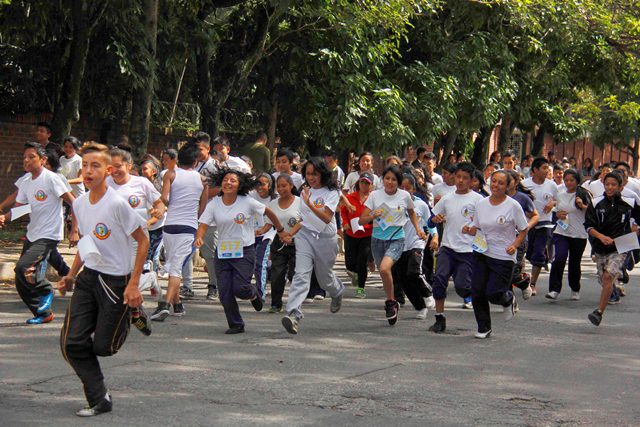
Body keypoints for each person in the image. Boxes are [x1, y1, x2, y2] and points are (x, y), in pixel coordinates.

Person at [58, 142, 149, 417]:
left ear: (108, 170)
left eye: (95, 165)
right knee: (72, 343)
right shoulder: (81, 204)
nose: (87, 170)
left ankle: (134, 309)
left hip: (116, 283)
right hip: (89, 278)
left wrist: (133, 284)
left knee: (104, 347)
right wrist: (71, 275)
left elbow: (143, 240)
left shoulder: (118, 204)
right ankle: (99, 399)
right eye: (84, 166)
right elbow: (87, 242)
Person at [195, 169, 288, 333]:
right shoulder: (214, 203)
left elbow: (269, 213)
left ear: (239, 186)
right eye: (225, 180)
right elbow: (203, 224)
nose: (228, 183)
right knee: (224, 291)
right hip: (222, 252)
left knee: (240, 288)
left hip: (244, 251)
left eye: (233, 180)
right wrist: (199, 237)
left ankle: (253, 294)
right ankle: (236, 324)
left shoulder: (247, 202)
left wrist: (280, 230)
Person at [0, 142, 78, 324]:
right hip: (33, 233)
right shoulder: (26, 182)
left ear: (43, 160)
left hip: (50, 234)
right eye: (24, 157)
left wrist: (74, 230)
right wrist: (5, 217)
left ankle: (45, 290)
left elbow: (74, 203)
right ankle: (43, 313)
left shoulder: (52, 179)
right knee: (21, 277)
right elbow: (21, 209)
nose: (26, 161)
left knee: (24, 267)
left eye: (31, 157)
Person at [281, 157, 346, 334]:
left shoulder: (332, 192)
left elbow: (326, 218)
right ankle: (293, 314)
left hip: (326, 237)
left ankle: (337, 290)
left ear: (323, 174)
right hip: (305, 236)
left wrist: (310, 203)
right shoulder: (304, 191)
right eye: (308, 174)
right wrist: (291, 233)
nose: (311, 177)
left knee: (324, 278)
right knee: (301, 274)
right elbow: (303, 219)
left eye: (314, 174)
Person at [462, 170, 529, 339]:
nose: (496, 185)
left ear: (507, 186)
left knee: (493, 293)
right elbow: (476, 227)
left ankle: (507, 299)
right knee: (477, 291)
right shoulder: (481, 204)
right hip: (482, 252)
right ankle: (484, 327)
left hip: (503, 256)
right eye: (493, 181)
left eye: (500, 183)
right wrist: (468, 230)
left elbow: (523, 228)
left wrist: (515, 245)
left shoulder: (513, 206)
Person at [359, 165, 427, 325]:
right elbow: (361, 220)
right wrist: (372, 215)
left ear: (398, 181)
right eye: (387, 179)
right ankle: (392, 301)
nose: (390, 182)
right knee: (384, 273)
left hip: (397, 238)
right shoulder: (375, 195)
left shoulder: (404, 196)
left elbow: (411, 211)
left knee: (384, 268)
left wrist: (418, 229)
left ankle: (390, 302)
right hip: (377, 240)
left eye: (394, 179)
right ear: (383, 180)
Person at [150, 144, 208, 321]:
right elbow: (203, 206)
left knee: (173, 262)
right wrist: (194, 218)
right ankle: (166, 305)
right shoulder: (203, 179)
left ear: (178, 159)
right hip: (188, 227)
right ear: (196, 160)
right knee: (176, 267)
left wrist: (168, 207)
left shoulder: (171, 174)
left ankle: (175, 305)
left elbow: (165, 198)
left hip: (170, 225)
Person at [428, 162, 484, 333]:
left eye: (464, 178)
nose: (460, 181)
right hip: (447, 247)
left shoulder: (478, 200)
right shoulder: (447, 198)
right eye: (458, 177)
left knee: (462, 287)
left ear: (472, 180)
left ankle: (481, 308)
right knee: (439, 280)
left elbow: (485, 225)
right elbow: (431, 220)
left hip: (467, 251)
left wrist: (474, 229)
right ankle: (439, 318)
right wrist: (434, 220)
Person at [584, 172, 640, 326]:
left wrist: (636, 226)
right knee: (604, 279)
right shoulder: (596, 203)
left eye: (613, 184)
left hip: (622, 245)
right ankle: (619, 276)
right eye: (607, 184)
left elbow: (638, 217)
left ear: (620, 187)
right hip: (600, 247)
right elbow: (588, 226)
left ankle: (599, 312)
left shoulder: (630, 202)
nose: (610, 187)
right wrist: (601, 237)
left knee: (608, 276)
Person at [393, 173, 437, 319]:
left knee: (414, 272)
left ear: (413, 189)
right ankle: (420, 307)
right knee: (404, 280)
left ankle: (428, 293)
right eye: (402, 188)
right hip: (398, 246)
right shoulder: (392, 203)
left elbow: (430, 224)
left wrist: (434, 237)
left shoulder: (421, 205)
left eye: (408, 188)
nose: (405, 191)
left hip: (416, 243)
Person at [546, 169, 590, 301]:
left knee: (574, 263)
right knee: (559, 258)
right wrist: (557, 215)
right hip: (561, 232)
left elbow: (592, 212)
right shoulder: (560, 195)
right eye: (566, 180)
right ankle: (554, 289)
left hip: (579, 234)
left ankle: (575, 288)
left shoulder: (584, 194)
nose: (568, 183)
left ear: (577, 181)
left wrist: (582, 205)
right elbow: (554, 212)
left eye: (571, 180)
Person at [522, 157, 558, 295]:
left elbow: (559, 200)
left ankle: (532, 284)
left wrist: (553, 203)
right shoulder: (524, 185)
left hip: (545, 223)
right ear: (535, 170)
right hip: (527, 224)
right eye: (543, 168)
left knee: (538, 254)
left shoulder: (552, 185)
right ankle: (522, 278)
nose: (547, 170)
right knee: (528, 254)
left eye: (548, 168)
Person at [266, 174, 302, 312]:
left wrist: (291, 234)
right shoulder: (273, 204)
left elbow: (303, 221)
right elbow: (269, 223)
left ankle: (295, 303)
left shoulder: (300, 202)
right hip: (279, 242)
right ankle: (276, 303)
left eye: (284, 186)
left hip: (297, 241)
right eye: (278, 186)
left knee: (296, 274)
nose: (281, 189)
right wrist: (259, 231)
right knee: (277, 274)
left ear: (291, 186)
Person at [503, 170, 539, 300]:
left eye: (508, 181)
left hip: (519, 239)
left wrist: (527, 227)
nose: (505, 184)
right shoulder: (498, 197)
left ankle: (524, 283)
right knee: (504, 270)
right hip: (501, 239)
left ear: (516, 182)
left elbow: (535, 216)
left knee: (512, 271)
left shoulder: (522, 198)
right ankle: (509, 299)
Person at [340, 172, 374, 298]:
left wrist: (371, 222)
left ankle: (361, 288)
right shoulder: (350, 197)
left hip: (367, 233)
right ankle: (354, 273)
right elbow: (343, 212)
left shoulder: (373, 198)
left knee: (362, 260)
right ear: (358, 183)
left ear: (371, 185)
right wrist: (345, 223)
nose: (364, 185)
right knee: (350, 263)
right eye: (362, 182)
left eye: (367, 183)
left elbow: (377, 215)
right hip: (350, 233)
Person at [249, 172, 277, 300]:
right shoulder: (250, 196)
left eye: (263, 184)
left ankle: (260, 293)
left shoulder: (274, 199)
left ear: (270, 185)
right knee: (251, 263)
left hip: (267, 235)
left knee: (260, 262)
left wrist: (263, 230)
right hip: (250, 234)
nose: (259, 187)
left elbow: (274, 219)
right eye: (257, 183)